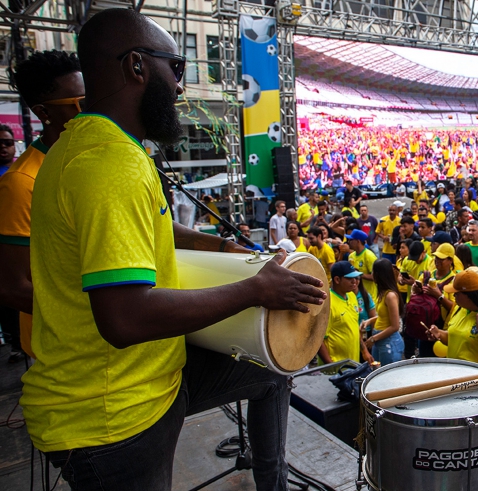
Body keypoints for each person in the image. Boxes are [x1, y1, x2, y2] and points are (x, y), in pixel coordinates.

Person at [21, 9, 327, 490]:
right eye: (177, 68)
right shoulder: (109, 164)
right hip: (113, 416)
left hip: (152, 376)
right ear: (136, 66)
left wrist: (225, 246)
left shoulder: (94, 145)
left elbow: (159, 234)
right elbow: (124, 318)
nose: (181, 88)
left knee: (270, 373)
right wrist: (255, 288)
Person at [0, 50, 84, 361]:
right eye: (79, 105)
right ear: (43, 112)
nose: (93, 111)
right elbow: (13, 287)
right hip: (63, 350)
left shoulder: (93, 160)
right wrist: (105, 310)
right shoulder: (22, 182)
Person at [426, 269, 478, 369]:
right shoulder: (459, 308)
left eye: (456, 293)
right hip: (457, 372)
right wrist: (439, 333)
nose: (453, 296)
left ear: (469, 296)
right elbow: (456, 337)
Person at [319, 262, 372, 365]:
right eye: (349, 279)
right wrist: (332, 366)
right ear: (337, 280)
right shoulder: (327, 304)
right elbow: (319, 340)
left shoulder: (352, 296)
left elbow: (354, 327)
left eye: (356, 278)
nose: (355, 282)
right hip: (336, 369)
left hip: (352, 364)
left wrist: (364, 351)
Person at [362, 259, 405, 365]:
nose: (371, 274)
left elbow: (395, 326)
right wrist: (369, 321)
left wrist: (373, 339)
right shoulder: (382, 293)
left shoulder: (390, 296)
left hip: (388, 342)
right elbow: (384, 316)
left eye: (373, 272)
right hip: (380, 340)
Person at [346, 229, 377, 300]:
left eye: (351, 240)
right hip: (355, 295)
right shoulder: (351, 256)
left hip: (368, 296)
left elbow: (375, 277)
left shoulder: (369, 256)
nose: (348, 242)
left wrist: (359, 274)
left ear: (358, 241)